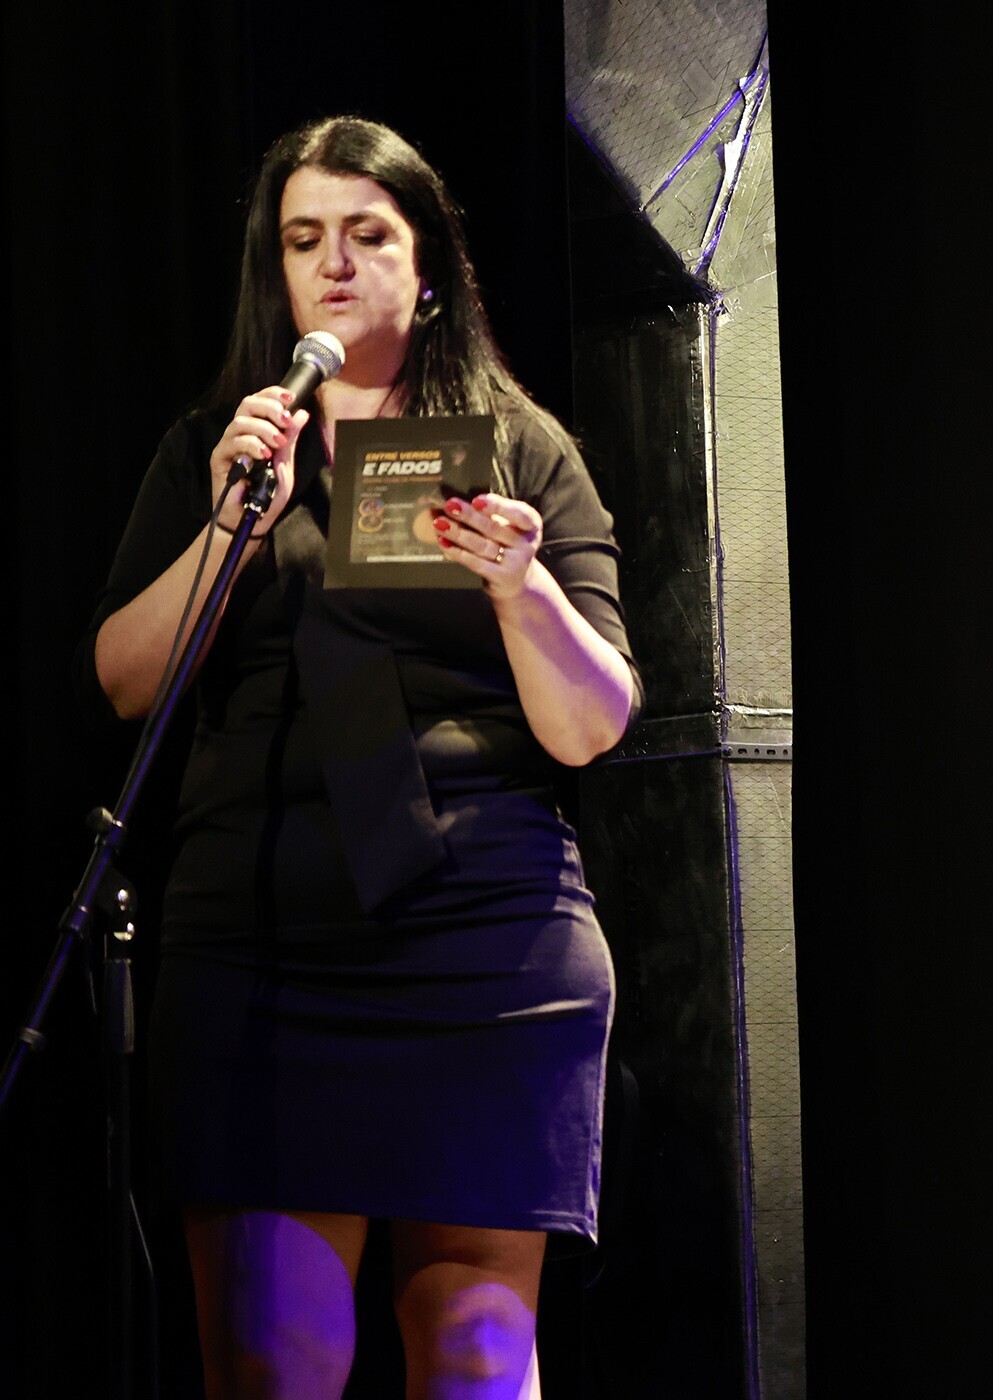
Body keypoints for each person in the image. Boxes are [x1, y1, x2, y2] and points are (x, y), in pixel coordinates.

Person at [84, 116, 638, 1398]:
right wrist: (231, 528)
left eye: (367, 234)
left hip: (485, 940)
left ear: (428, 264)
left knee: (475, 1352)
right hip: (261, 944)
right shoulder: (220, 449)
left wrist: (521, 588)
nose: (333, 263)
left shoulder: (521, 446)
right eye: (303, 239)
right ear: (275, 274)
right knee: (269, 1361)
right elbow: (121, 680)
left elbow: (592, 722)